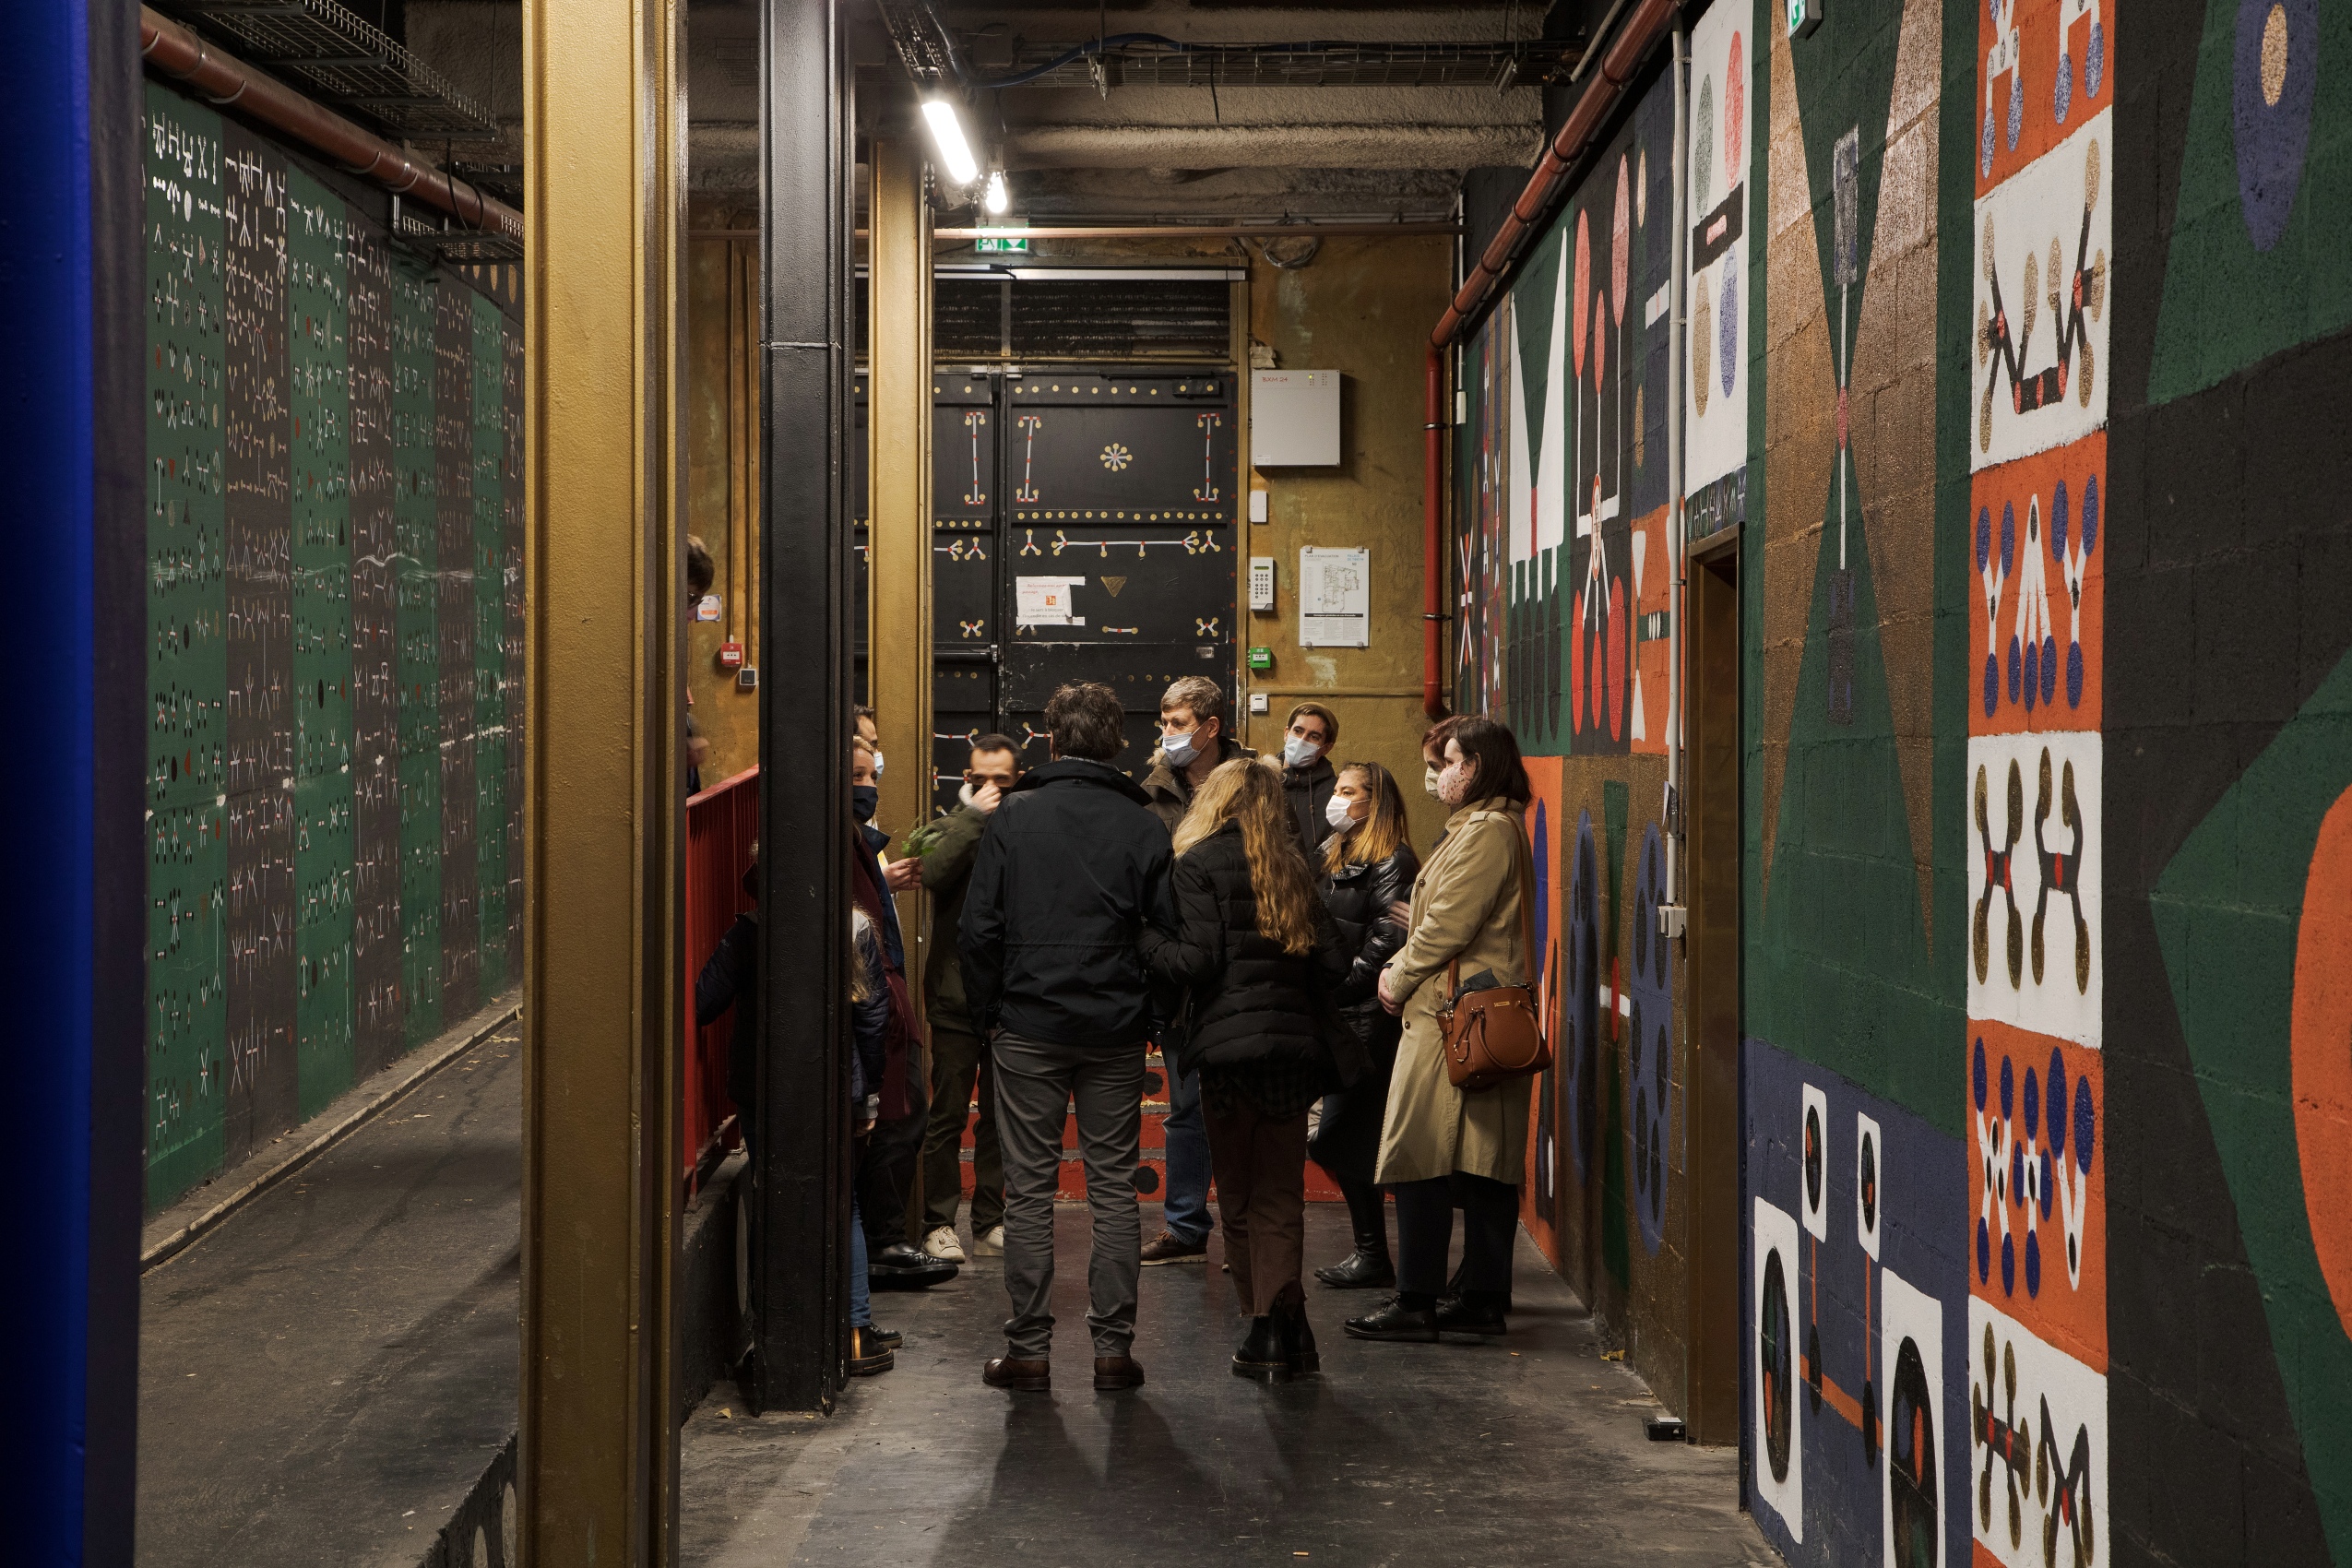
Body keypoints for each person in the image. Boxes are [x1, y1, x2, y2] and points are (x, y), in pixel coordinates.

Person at [960, 682, 1173, 1394]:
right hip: (1113, 1029)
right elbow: (1164, 934)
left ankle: (1028, 1352)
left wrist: (992, 1012)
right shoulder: (1145, 827)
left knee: (1028, 1191)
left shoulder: (1014, 819)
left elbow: (978, 929)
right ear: (1117, 744)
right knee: (1114, 1188)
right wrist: (1147, 1012)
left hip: (1028, 1025)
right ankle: (1113, 1352)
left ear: (1050, 741)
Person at [1142, 760, 1354, 1382]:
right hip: (1292, 1052)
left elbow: (1196, 960)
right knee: (1281, 1193)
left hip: (1227, 1055)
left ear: (1217, 802)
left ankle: (1261, 1326)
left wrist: (1144, 942)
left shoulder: (1198, 863)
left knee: (1236, 1193)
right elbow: (1334, 963)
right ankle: (1289, 1320)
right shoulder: (1296, 867)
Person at [1347, 717, 1536, 1346]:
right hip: (1471, 1012)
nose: (1435, 777)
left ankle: (1417, 1298)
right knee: (1481, 1163)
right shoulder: (1489, 828)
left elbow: (1450, 924)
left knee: (1418, 1156)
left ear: (1474, 766)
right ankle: (1481, 1295)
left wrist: (1397, 975)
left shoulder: (1485, 833)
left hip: (1452, 1017)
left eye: (1444, 763)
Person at [695, 856, 896, 1375]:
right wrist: (867, 1096)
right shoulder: (854, 928)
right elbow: (873, 1022)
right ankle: (853, 1331)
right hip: (833, 1089)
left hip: (761, 1090)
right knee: (842, 1202)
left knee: (771, 1197)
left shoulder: (748, 935)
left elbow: (699, 1002)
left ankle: (776, 1337)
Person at [1137, 675, 1267, 1266]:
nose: (1168, 734)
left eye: (1179, 723)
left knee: (1252, 1108)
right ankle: (1185, 1225)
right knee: (1187, 1108)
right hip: (1181, 980)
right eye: (1164, 722)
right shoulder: (1152, 794)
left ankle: (1253, 1226)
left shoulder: (1258, 784)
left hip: (1244, 972)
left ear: (1212, 727)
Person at [1307, 761, 1420, 1289]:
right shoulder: (1335, 850)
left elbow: (1385, 941)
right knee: (1346, 1138)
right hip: (1339, 1015)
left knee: (1339, 1136)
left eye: (1349, 792)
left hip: (1368, 1018)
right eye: (1338, 790)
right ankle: (1371, 1253)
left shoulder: (1392, 859)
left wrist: (1336, 988)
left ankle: (1375, 1254)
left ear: (1375, 802)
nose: (1338, 799)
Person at [850, 736, 956, 1290]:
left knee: (904, 1113)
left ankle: (883, 1243)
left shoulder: (863, 844)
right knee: (892, 1118)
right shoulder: (847, 849)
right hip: (874, 1001)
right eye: (859, 776)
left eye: (872, 775)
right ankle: (882, 1245)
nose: (869, 787)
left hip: (885, 997)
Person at [911, 734, 1020, 1264]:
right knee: (948, 1113)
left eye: (1003, 780)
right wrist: (972, 816)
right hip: (955, 997)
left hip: (1008, 996)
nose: (993, 789)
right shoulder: (949, 826)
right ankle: (938, 1222)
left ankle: (991, 1220)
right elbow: (927, 869)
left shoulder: (1027, 827)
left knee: (1000, 1117)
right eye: (982, 780)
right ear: (966, 780)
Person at [1277, 702, 1340, 858]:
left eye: (1314, 736)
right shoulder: (1260, 784)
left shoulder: (1335, 794)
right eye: (1297, 731)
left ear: (1326, 748)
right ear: (1286, 733)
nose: (1302, 740)